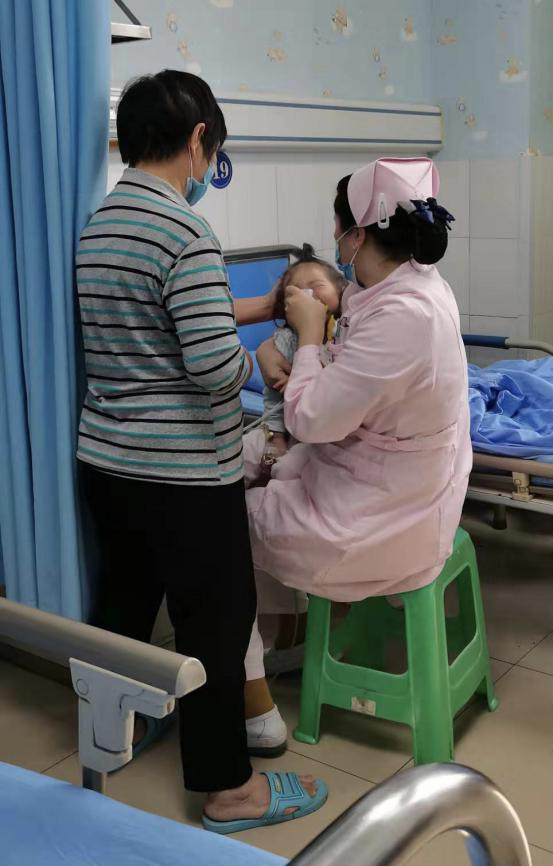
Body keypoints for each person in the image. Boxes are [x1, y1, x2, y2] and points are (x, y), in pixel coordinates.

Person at [77, 69, 326, 834]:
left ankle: (113, 733)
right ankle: (228, 790)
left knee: (124, 604)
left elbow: (160, 317)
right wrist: (273, 354)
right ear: (196, 141)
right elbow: (213, 366)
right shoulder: (187, 233)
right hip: (184, 472)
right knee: (216, 621)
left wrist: (268, 303)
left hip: (110, 461)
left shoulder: (101, 223)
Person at [245, 157, 472, 708]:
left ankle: (251, 689)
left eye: (337, 225)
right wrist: (277, 346)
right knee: (258, 477)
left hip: (382, 518)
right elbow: (354, 374)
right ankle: (284, 636)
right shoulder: (407, 286)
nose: (332, 237)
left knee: (220, 524)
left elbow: (309, 419)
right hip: (396, 485)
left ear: (358, 234)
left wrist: (309, 336)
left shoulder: (403, 316)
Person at [244, 244, 345, 484]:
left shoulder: (346, 335)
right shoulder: (285, 340)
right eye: (296, 291)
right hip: (281, 428)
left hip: (323, 437)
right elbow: (273, 396)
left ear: (342, 291)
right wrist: (275, 435)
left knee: (288, 470)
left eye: (317, 286)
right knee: (240, 457)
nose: (307, 295)